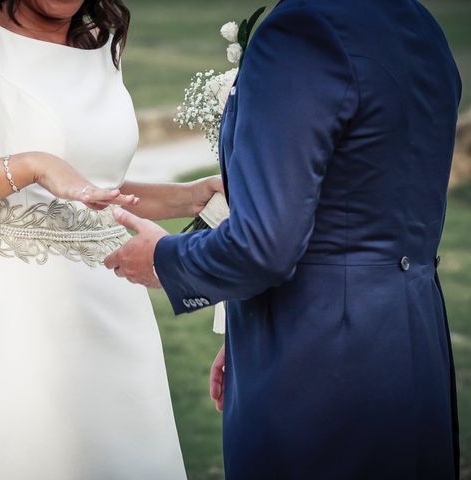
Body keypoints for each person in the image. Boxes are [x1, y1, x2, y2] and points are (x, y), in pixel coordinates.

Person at [105, 0, 462, 478]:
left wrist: (165, 259)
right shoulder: (418, 24)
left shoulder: (302, 30)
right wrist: (246, 331)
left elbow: (263, 245)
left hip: (315, 367)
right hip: (414, 345)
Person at [0, 1, 222, 478]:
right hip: (20, 318)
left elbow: (88, 189)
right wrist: (31, 164)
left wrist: (188, 198)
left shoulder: (100, 45)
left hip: (114, 312)